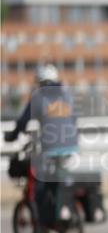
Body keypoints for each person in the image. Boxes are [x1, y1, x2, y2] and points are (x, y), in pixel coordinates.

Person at [4, 64, 79, 223]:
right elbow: (74, 119)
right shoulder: (67, 95)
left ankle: (43, 219)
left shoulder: (38, 97)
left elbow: (23, 122)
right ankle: (63, 207)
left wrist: (11, 136)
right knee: (59, 176)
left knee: (40, 179)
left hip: (51, 147)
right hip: (72, 145)